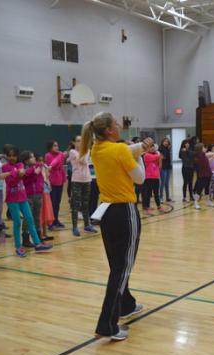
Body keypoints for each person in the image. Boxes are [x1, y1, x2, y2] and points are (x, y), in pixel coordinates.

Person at [80, 112, 152, 341]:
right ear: (109, 130)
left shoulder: (96, 149)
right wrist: (142, 153)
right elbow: (140, 178)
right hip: (124, 212)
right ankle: (106, 325)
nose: (119, 126)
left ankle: (126, 305)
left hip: (107, 212)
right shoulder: (118, 149)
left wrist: (139, 147)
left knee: (117, 264)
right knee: (122, 268)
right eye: (116, 124)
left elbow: (123, 150)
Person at [2, 147, 53, 257]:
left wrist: (12, 173)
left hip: (23, 197)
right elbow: (11, 182)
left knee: (30, 220)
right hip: (12, 199)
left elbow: (21, 175)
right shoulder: (4, 167)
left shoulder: (20, 165)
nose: (12, 157)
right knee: (17, 223)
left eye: (14, 155)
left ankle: (38, 244)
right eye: (9, 155)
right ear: (6, 156)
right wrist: (15, 174)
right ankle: (18, 247)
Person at [68, 136, 96, 236]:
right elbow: (83, 161)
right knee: (76, 205)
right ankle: (75, 227)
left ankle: (87, 225)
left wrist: (87, 150)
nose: (80, 143)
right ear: (74, 142)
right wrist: (88, 149)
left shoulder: (85, 151)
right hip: (76, 180)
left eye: (82, 141)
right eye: (78, 141)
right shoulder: (72, 152)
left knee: (85, 204)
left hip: (87, 180)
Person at [20, 151, 46, 246]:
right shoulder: (23, 170)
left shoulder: (37, 167)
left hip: (38, 195)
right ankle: (25, 239)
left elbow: (40, 179)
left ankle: (38, 237)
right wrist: (34, 172)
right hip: (28, 196)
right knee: (28, 217)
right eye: (31, 157)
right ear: (26, 161)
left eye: (34, 157)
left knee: (36, 216)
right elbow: (26, 179)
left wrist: (41, 189)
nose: (34, 158)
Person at [45, 140, 67, 230]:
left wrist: (64, 179)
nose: (57, 147)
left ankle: (56, 220)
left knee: (57, 203)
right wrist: (51, 166)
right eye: (54, 146)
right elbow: (54, 162)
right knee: (52, 203)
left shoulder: (60, 154)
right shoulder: (48, 155)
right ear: (50, 147)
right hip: (52, 182)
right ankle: (51, 222)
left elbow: (60, 165)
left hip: (59, 182)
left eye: (57, 145)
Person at [142, 143, 162, 214]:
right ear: (148, 148)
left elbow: (160, 165)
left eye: (153, 147)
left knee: (156, 193)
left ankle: (159, 206)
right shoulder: (146, 155)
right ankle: (147, 207)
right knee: (148, 193)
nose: (152, 148)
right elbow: (157, 157)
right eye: (151, 147)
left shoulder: (156, 155)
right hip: (149, 177)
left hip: (156, 177)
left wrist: (159, 158)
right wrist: (159, 155)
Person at [193, 143, 212, 209]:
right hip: (202, 174)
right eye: (204, 147)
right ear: (200, 148)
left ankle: (208, 201)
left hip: (208, 173)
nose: (205, 148)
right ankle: (195, 203)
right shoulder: (199, 155)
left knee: (207, 188)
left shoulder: (203, 155)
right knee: (199, 189)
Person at [159, 138, 173, 202]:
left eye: (167, 142)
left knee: (167, 183)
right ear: (162, 142)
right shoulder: (161, 148)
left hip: (168, 167)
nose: (166, 142)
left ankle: (167, 197)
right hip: (163, 168)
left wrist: (168, 148)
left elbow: (167, 158)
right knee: (162, 183)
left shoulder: (167, 148)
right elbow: (163, 157)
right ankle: (161, 197)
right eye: (165, 141)